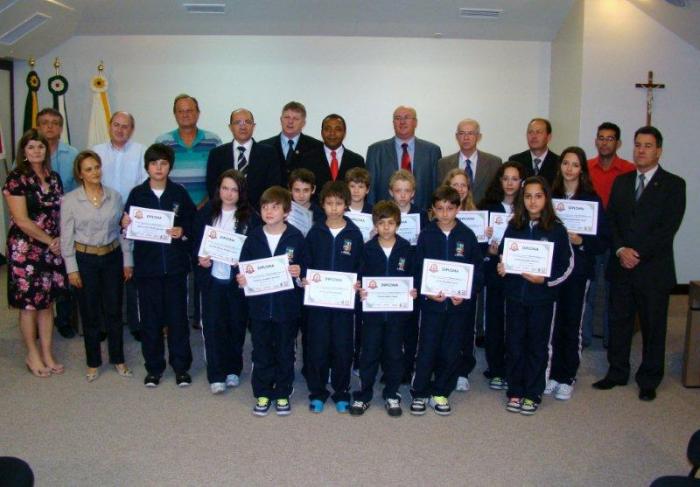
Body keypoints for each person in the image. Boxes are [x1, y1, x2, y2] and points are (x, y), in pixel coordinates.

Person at [593, 126, 686, 401]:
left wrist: (637, 253)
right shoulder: (622, 182)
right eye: (637, 145)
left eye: (647, 146)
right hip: (621, 265)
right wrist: (621, 249)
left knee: (653, 325)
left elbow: (668, 227)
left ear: (659, 150)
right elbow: (612, 220)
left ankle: (649, 378)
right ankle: (617, 372)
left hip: (653, 270)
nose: (641, 150)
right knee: (619, 322)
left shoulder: (673, 184)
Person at [497, 176, 573, 415]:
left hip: (542, 299)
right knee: (515, 343)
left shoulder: (557, 229)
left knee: (538, 345)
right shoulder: (514, 226)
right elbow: (503, 254)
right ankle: (516, 391)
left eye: (538, 196)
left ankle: (533, 392)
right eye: (528, 196)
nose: (532, 201)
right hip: (515, 297)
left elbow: (567, 265)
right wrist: (502, 266)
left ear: (546, 199)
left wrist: (546, 280)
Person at [123, 143, 196, 388]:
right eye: (154, 163)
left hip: (175, 269)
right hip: (147, 269)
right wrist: (125, 222)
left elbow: (193, 224)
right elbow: (127, 228)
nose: (159, 167)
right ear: (147, 166)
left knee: (178, 321)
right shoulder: (136, 194)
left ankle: (181, 368)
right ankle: (154, 368)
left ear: (169, 166)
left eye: (163, 163)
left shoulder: (179, 193)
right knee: (151, 322)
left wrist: (182, 230)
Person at [60, 150, 134, 382]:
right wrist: (71, 268)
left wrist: (127, 260)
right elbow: (66, 237)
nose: (95, 172)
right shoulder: (70, 200)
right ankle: (93, 362)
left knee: (114, 311)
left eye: (97, 167)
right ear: (80, 174)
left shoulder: (115, 196)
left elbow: (122, 231)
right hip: (85, 260)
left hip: (112, 257)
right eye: (89, 169)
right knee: (90, 312)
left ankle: (118, 359)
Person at [410, 185, 483, 416]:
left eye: (450, 208)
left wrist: (465, 292)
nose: (444, 213)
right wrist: (426, 290)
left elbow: (477, 271)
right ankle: (420, 392)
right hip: (431, 305)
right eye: (439, 208)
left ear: (458, 208)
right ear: (433, 209)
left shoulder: (467, 236)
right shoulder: (426, 234)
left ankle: (441, 391)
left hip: (457, 307)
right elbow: (417, 268)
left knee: (451, 349)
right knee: (427, 348)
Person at [236, 186, 306, 416]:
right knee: (261, 350)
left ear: (286, 211)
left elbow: (305, 273)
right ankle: (263, 392)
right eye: (265, 207)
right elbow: (244, 266)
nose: (269, 211)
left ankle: (283, 392)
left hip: (287, 308)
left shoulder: (296, 237)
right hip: (259, 308)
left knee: (286, 351)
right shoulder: (254, 237)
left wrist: (299, 273)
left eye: (275, 207)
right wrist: (242, 278)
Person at [3, 129, 67, 377]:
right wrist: (49, 240)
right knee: (29, 304)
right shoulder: (16, 178)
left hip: (52, 247)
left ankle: (47, 352)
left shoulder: (54, 177)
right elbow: (21, 219)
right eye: (31, 147)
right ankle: (32, 353)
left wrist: (59, 239)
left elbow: (59, 212)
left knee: (46, 302)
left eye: (40, 147)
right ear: (24, 152)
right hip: (26, 250)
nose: (37, 151)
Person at [156, 94, 221, 331]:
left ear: (198, 112)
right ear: (175, 114)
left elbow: (219, 175)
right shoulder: (163, 141)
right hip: (175, 214)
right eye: (181, 111)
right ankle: (174, 317)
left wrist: (206, 203)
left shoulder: (213, 140)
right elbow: (159, 176)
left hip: (206, 211)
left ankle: (201, 316)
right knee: (175, 267)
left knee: (204, 263)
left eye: (190, 110)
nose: (186, 114)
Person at [547, 147, 608, 400]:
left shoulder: (591, 201)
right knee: (552, 323)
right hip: (553, 270)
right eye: (565, 163)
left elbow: (602, 242)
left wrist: (580, 240)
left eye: (575, 164)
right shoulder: (551, 197)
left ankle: (566, 376)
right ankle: (550, 374)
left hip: (579, 271)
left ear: (582, 169)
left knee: (572, 323)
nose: (569, 169)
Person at [194, 169, 260, 394]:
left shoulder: (251, 217)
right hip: (212, 280)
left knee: (236, 326)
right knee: (213, 327)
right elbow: (194, 242)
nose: (229, 194)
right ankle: (216, 374)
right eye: (225, 188)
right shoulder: (206, 214)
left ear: (241, 192)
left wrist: (242, 263)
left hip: (236, 282)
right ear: (218, 190)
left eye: (234, 189)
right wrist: (200, 258)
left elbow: (256, 249)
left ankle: (233, 369)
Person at [350, 200, 416, 417]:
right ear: (374, 225)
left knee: (394, 354)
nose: (386, 227)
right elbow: (359, 276)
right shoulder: (367, 249)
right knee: (368, 353)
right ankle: (364, 394)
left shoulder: (406, 248)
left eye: (390, 223)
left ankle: (391, 393)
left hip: (397, 314)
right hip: (372, 314)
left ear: (398, 224)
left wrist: (413, 291)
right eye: (381, 223)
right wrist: (360, 289)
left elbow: (413, 277)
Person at [303, 181, 364, 413]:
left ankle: (341, 391)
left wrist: (358, 282)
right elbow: (306, 262)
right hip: (318, 304)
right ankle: (317, 392)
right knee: (317, 348)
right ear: (323, 205)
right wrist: (305, 279)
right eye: (330, 203)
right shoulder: (315, 232)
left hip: (343, 305)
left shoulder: (354, 234)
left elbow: (360, 264)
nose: (335, 208)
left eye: (339, 203)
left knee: (342, 348)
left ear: (346, 205)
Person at [93, 111, 147, 342]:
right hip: (101, 220)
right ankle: (105, 324)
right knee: (106, 273)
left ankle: (136, 323)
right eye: (116, 125)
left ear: (132, 129)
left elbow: (143, 186)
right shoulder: (96, 152)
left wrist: (131, 215)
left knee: (132, 273)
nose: (120, 129)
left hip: (131, 219)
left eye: (126, 126)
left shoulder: (141, 152)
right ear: (109, 126)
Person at [582, 122, 634, 347]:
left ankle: (610, 339)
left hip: (615, 237)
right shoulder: (586, 167)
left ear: (618, 143)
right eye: (601, 138)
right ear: (595, 141)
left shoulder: (629, 170)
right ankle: (583, 337)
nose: (604, 142)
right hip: (590, 239)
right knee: (589, 289)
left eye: (610, 138)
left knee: (614, 291)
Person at [477, 161, 525, 390]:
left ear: (522, 182)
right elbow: (476, 243)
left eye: (514, 179)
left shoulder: (527, 207)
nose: (509, 183)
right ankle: (496, 369)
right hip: (494, 271)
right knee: (494, 319)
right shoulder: (487, 206)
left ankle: (514, 367)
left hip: (519, 274)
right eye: (505, 178)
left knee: (515, 322)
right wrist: (487, 246)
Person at [36, 108, 78, 339]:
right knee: (37, 275)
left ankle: (64, 320)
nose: (50, 127)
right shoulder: (28, 153)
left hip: (65, 223)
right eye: (44, 123)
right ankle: (38, 319)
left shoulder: (72, 154)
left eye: (54, 123)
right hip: (36, 226)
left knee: (64, 274)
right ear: (38, 127)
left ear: (61, 128)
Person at [366, 106, 442, 210]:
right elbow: (370, 190)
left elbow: (436, 189)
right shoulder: (376, 151)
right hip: (385, 218)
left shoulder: (432, 151)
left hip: (422, 216)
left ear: (415, 122)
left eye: (406, 117)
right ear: (393, 123)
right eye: (398, 118)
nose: (402, 122)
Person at [205, 108, 280, 210]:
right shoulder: (217, 154)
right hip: (225, 213)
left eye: (247, 122)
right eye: (237, 122)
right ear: (230, 127)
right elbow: (212, 188)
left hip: (259, 214)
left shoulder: (269, 153)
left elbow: (273, 188)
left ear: (253, 126)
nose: (243, 126)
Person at [437, 119, 502, 205]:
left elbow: (497, 193)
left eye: (470, 133)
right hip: (452, 214)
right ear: (456, 136)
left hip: (484, 214)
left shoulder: (494, 163)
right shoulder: (443, 164)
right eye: (462, 133)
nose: (466, 138)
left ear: (479, 137)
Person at [300, 113, 365, 197]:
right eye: (327, 129)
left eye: (338, 129)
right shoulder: (307, 159)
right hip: (315, 209)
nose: (332, 133)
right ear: (322, 132)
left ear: (344, 133)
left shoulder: (357, 161)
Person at [259, 101, 323, 183]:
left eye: (295, 119)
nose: (290, 122)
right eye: (287, 117)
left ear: (303, 123)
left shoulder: (316, 147)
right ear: (281, 120)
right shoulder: (264, 146)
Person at [509, 118, 559, 185]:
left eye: (538, 132)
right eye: (530, 132)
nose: (534, 136)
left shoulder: (558, 163)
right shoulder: (515, 161)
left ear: (549, 137)